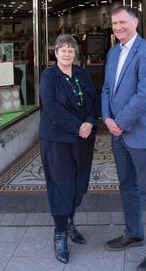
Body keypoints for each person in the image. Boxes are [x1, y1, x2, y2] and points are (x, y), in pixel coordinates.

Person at [102, 6, 146, 271]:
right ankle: (134, 233)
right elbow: (107, 87)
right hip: (118, 134)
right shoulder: (113, 51)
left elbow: (144, 94)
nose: (117, 27)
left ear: (135, 22)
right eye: (114, 23)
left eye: (122, 22)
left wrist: (120, 122)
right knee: (126, 185)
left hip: (140, 133)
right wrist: (106, 118)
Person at [39, 33, 99, 264]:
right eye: (62, 49)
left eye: (70, 49)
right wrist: (77, 126)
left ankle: (70, 222)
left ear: (75, 53)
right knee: (61, 185)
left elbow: (93, 100)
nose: (67, 53)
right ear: (56, 53)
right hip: (57, 141)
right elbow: (52, 108)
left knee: (76, 184)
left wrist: (90, 122)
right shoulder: (49, 76)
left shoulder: (82, 73)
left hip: (82, 139)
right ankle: (60, 233)